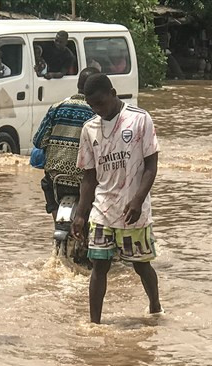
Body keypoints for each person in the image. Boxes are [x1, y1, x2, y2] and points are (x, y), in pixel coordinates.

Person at [72, 74, 161, 324]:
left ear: (113, 93)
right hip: (102, 209)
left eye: (100, 103)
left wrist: (138, 199)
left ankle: (155, 307)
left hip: (134, 208)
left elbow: (151, 166)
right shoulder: (89, 129)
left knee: (141, 265)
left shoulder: (140, 119)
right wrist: (81, 214)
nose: (97, 109)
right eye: (92, 106)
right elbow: (88, 177)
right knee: (99, 265)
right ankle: (94, 323)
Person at [32, 67, 98, 218]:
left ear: (78, 85)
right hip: (84, 180)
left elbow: (38, 141)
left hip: (56, 179)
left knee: (46, 184)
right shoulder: (97, 113)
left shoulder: (56, 108)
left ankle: (56, 216)